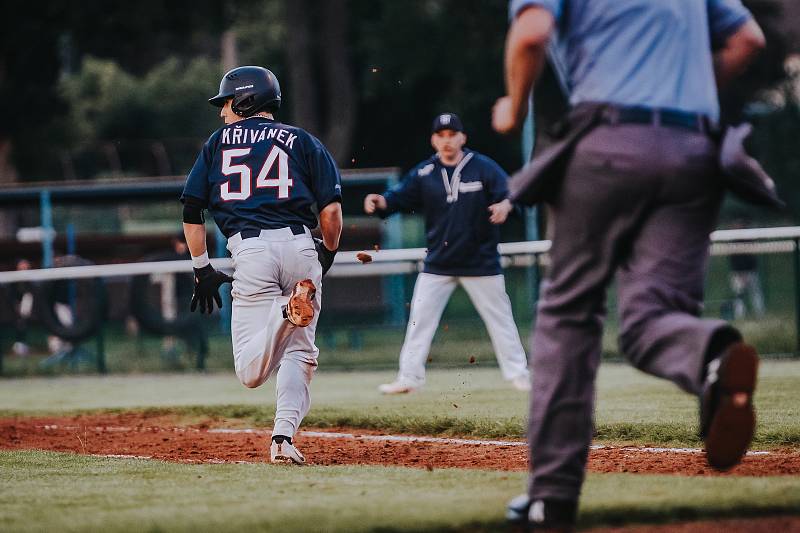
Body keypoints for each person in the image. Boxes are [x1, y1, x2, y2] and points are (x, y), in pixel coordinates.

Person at [493, 1, 768, 529]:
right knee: (651, 316)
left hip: (609, 141)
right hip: (697, 151)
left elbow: (531, 33)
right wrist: (682, 100)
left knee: (569, 313)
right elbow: (746, 40)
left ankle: (551, 497)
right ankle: (711, 356)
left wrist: (513, 105)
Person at [181, 66, 342, 464]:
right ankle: (283, 439)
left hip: (251, 252)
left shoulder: (218, 143)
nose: (222, 113)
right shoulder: (302, 139)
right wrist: (327, 254)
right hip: (301, 246)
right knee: (301, 354)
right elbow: (332, 212)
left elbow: (191, 209)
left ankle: (287, 314)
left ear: (245, 100)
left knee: (250, 374)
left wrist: (201, 268)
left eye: (226, 103)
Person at [364, 113, 530, 394]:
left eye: (452, 134)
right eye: (440, 135)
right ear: (433, 140)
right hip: (439, 263)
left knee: (501, 321)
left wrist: (506, 206)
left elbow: (511, 195)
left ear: (462, 138)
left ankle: (519, 375)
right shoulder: (425, 172)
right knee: (419, 321)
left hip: (480, 261)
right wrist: (380, 202)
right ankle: (409, 378)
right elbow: (398, 199)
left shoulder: (483, 167)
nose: (447, 140)